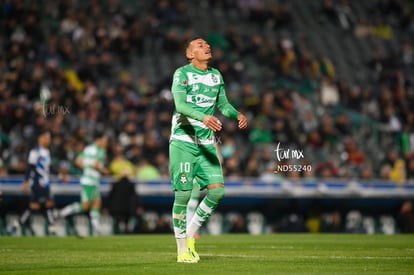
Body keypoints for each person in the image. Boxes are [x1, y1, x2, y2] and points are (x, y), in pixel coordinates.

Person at [170, 37, 247, 263]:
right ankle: (181, 249)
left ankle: (191, 234)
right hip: (183, 140)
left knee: (217, 191)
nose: (206, 46)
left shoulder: (216, 75)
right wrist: (204, 116)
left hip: (206, 143)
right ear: (190, 54)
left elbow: (222, 104)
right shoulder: (181, 73)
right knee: (183, 194)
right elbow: (180, 105)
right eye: (200, 45)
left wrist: (237, 114)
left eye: (207, 45)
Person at [60, 131, 109, 235]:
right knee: (85, 206)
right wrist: (103, 170)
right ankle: (63, 212)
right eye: (105, 140)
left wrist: (89, 166)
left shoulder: (94, 149)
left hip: (93, 180)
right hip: (89, 180)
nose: (106, 142)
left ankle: (96, 227)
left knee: (96, 202)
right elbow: (92, 164)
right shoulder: (96, 150)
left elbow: (79, 161)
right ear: (98, 139)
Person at [19, 129, 56, 235]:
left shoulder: (47, 152)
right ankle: (19, 224)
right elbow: (29, 168)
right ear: (40, 138)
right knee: (35, 206)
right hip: (37, 183)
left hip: (45, 182)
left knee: (48, 203)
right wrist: (25, 182)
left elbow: (49, 167)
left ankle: (52, 228)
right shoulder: (35, 152)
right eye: (46, 137)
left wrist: (59, 174)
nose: (48, 140)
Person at [107, 167, 142, 234]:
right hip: (127, 208)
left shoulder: (115, 184)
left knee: (117, 223)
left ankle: (117, 233)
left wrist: (108, 207)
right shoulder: (130, 184)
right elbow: (134, 197)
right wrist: (138, 206)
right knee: (126, 223)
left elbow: (110, 197)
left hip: (117, 208)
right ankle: (126, 233)